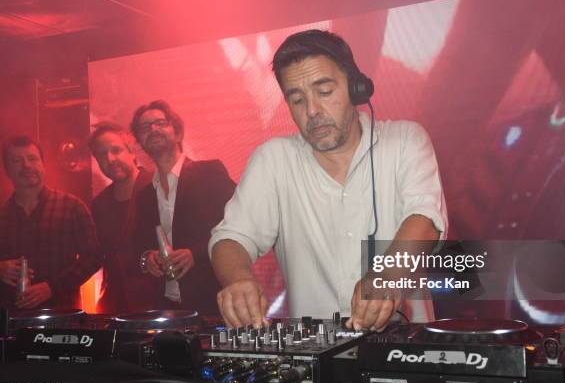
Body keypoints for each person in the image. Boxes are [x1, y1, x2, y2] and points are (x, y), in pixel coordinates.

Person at [209, 29, 447, 331]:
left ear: (355, 87)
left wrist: (386, 275)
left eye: (324, 92)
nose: (312, 111)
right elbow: (230, 238)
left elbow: (424, 218)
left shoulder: (405, 140)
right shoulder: (273, 160)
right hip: (312, 362)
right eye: (297, 99)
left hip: (406, 354)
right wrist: (238, 279)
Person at [131, 100, 235, 315]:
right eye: (145, 128)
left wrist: (196, 254)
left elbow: (238, 227)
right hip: (165, 307)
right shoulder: (143, 195)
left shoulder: (209, 173)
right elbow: (139, 247)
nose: (153, 129)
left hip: (213, 303)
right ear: (140, 143)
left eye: (160, 123)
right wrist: (147, 258)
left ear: (177, 133)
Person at [0, 135, 101, 310]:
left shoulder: (72, 206)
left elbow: (94, 257)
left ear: (43, 164)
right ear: (7, 170)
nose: (27, 166)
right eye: (17, 160)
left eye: (32, 159)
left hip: (61, 316)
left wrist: (52, 287)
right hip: (9, 319)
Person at [89, 122, 157, 313]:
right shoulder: (99, 204)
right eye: (101, 155)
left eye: (116, 150)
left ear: (132, 152)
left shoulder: (157, 186)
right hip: (115, 306)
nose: (110, 159)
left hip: (158, 303)